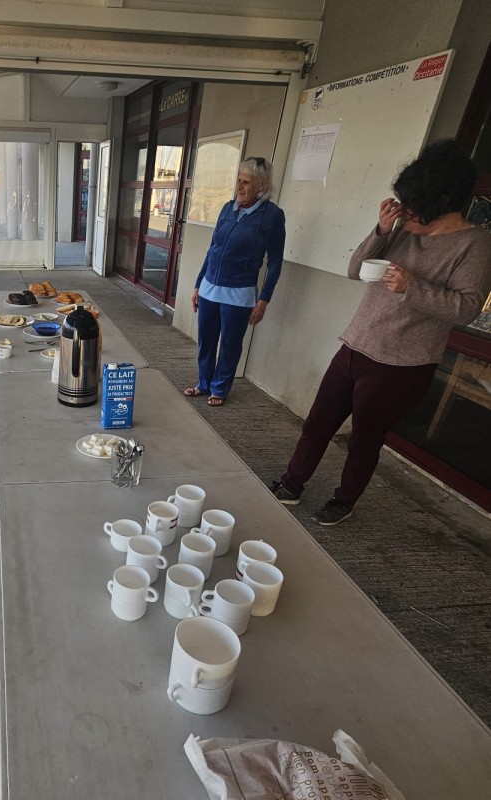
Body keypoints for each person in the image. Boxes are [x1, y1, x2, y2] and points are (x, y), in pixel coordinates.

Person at [271, 139, 491, 526]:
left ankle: (344, 500)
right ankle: (292, 482)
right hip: (356, 344)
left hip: (401, 364)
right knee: (317, 423)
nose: (404, 213)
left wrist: (412, 287)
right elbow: (355, 269)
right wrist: (381, 230)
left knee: (364, 438)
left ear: (440, 206)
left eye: (411, 208)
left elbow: (468, 307)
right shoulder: (404, 230)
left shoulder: (474, 243)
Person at [185, 156, 285, 407]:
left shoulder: (272, 216)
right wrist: (198, 284)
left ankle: (219, 388)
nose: (239, 186)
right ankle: (204, 383)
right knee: (206, 341)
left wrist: (264, 299)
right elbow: (213, 249)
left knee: (230, 344)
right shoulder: (227, 208)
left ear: (262, 186)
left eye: (246, 182)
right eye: (238, 180)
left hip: (239, 293)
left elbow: (275, 262)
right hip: (209, 288)